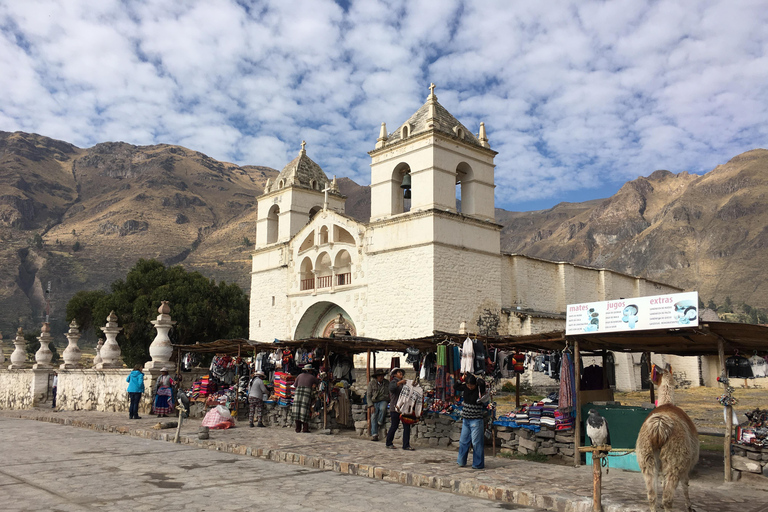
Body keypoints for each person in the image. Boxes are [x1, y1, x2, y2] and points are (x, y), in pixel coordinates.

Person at [455, 372, 487, 469]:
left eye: (471, 385)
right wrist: (462, 378)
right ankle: (461, 461)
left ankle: (478, 464)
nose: (470, 387)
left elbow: (482, 383)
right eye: (468, 385)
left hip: (476, 420)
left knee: (476, 442)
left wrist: (476, 378)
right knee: (463, 441)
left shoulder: (479, 389)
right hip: (466, 419)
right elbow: (455, 386)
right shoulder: (465, 387)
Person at [385, 368, 415, 450]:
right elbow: (392, 389)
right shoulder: (393, 382)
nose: (400, 373)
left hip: (404, 408)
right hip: (395, 408)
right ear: (394, 374)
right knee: (394, 426)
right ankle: (388, 443)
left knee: (407, 425)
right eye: (398, 372)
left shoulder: (404, 384)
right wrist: (400, 383)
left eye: (401, 372)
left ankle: (406, 445)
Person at [291, 364, 320, 433]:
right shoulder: (312, 377)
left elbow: (295, 385)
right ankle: (305, 429)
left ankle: (297, 429)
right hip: (306, 394)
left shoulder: (299, 376)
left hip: (298, 394)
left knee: (297, 410)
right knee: (304, 410)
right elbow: (318, 383)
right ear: (310, 371)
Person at [366, 369, 389, 441]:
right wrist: (371, 405)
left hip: (383, 400)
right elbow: (368, 396)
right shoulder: (371, 384)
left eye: (382, 375)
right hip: (374, 402)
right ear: (376, 377)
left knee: (383, 408)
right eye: (379, 376)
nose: (381, 377)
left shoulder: (387, 383)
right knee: (373, 415)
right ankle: (374, 434)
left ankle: (379, 422)